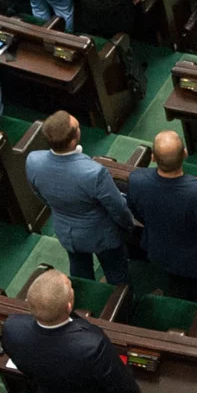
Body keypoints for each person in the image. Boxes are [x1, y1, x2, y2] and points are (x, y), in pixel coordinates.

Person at [0, 266, 142, 393]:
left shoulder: (13, 327)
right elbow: (118, 382)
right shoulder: (92, 343)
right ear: (69, 306)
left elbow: (24, 367)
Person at [24, 110, 137, 284]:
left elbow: (40, 195)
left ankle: (84, 306)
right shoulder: (94, 173)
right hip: (103, 236)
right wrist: (129, 225)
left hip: (66, 232)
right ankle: (121, 304)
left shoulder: (33, 160)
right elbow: (117, 208)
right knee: (116, 273)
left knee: (79, 272)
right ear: (73, 140)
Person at [124, 130, 197, 297]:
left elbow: (137, 212)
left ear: (153, 158)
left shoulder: (136, 180)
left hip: (160, 252)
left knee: (176, 285)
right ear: (185, 154)